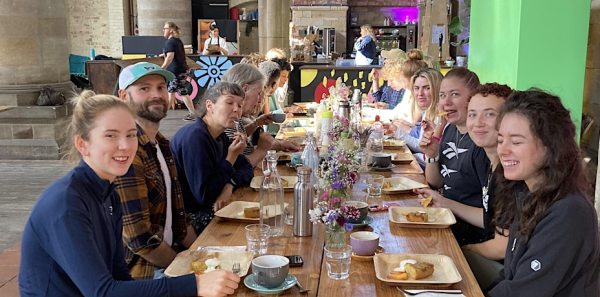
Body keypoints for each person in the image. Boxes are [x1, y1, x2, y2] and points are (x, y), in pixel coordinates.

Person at [19, 91, 240, 297]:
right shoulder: (66, 203)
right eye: (110, 136)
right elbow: (102, 292)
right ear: (82, 144)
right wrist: (193, 284)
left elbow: (120, 275)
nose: (125, 146)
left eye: (131, 135)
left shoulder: (109, 193)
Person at [487, 89, 599, 296]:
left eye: (517, 141)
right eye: (501, 139)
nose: (502, 150)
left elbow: (525, 291)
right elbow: (510, 276)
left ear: (550, 146)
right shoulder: (526, 192)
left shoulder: (569, 212)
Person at [415, 83, 512, 289]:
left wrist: (463, 250)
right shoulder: (494, 165)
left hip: (508, 274)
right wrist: (443, 201)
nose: (477, 123)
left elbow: (502, 246)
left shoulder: (511, 174)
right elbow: (490, 217)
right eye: (473, 114)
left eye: (489, 114)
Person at [113, 62, 197, 280]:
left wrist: (203, 254)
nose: (156, 94)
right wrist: (186, 270)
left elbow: (179, 218)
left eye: (161, 87)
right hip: (143, 274)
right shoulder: (126, 153)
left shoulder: (161, 143)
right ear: (123, 96)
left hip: (170, 259)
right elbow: (140, 240)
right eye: (144, 89)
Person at [170, 82, 254, 235]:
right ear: (209, 106)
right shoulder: (196, 136)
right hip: (188, 219)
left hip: (207, 207)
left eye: (240, 105)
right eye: (229, 103)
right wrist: (231, 157)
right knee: (249, 227)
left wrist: (229, 185)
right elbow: (206, 196)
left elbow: (247, 168)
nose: (236, 109)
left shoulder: (219, 135)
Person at [419, 67, 490, 246]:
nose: (446, 102)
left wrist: (446, 203)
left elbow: (492, 218)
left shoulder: (482, 144)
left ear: (472, 98)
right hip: (449, 221)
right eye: (442, 95)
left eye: (455, 94)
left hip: (473, 236)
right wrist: (433, 155)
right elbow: (437, 182)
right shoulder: (450, 129)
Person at [221, 63, 300, 167]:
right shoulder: (226, 119)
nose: (259, 101)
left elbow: (240, 137)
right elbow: (237, 165)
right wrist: (261, 150)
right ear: (245, 89)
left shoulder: (234, 116)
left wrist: (256, 123)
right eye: (258, 94)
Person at [386, 68, 443, 168]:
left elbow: (422, 147)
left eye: (426, 88)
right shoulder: (428, 111)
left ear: (437, 89)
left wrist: (398, 132)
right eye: (416, 88)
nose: (420, 93)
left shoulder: (441, 116)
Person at [160, 22, 195, 122]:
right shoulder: (177, 41)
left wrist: (162, 68)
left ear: (171, 30)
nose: (163, 30)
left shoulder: (170, 42)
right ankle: (192, 113)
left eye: (165, 28)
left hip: (176, 71)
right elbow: (173, 55)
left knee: (176, 92)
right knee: (177, 91)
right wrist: (164, 55)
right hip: (180, 70)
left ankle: (193, 113)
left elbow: (170, 57)